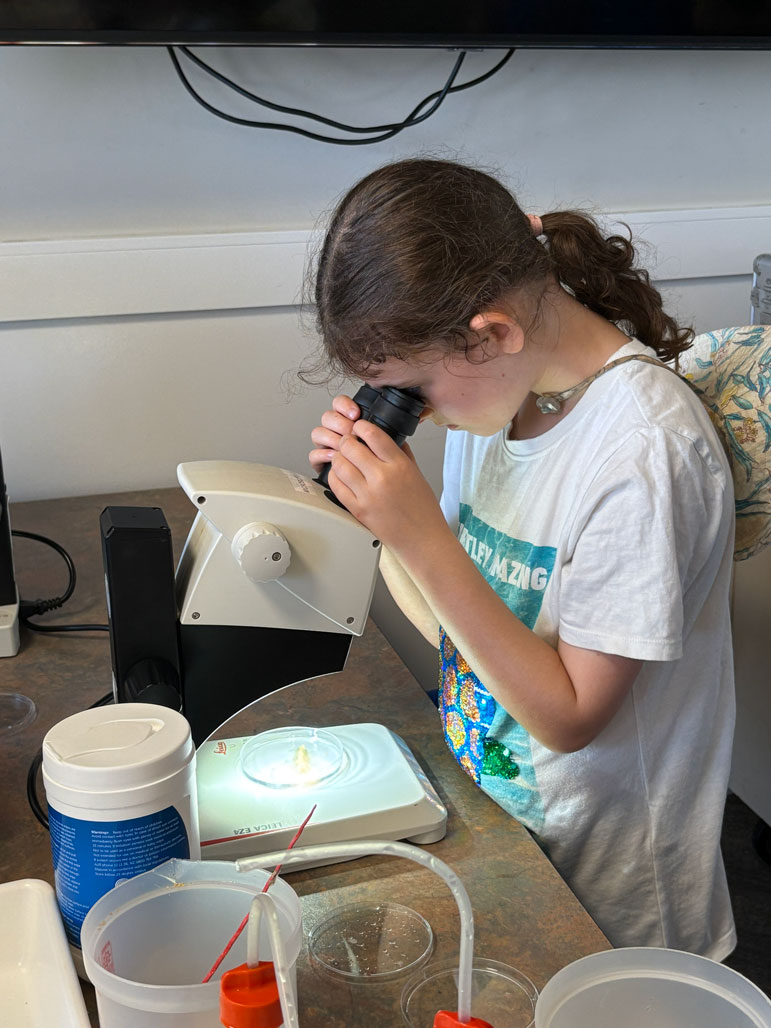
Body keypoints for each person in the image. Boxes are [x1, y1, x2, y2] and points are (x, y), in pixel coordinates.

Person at [306, 157, 736, 959]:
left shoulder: (641, 453)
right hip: (510, 839)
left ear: (491, 332)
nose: (418, 414)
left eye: (415, 390)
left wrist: (419, 537)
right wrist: (379, 523)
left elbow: (570, 718)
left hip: (618, 908)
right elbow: (457, 620)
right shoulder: (502, 405)